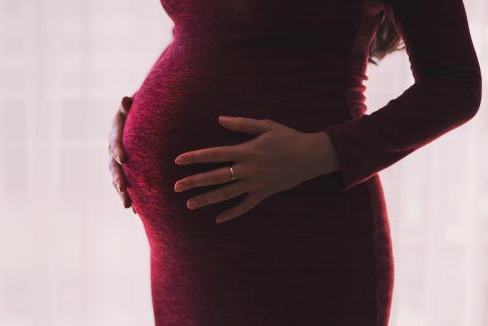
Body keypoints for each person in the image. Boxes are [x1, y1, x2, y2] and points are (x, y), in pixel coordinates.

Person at [108, 0, 482, 324]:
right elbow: (200, 32)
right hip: (185, 263)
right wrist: (137, 112)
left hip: (297, 241)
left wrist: (321, 151)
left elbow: (456, 83)